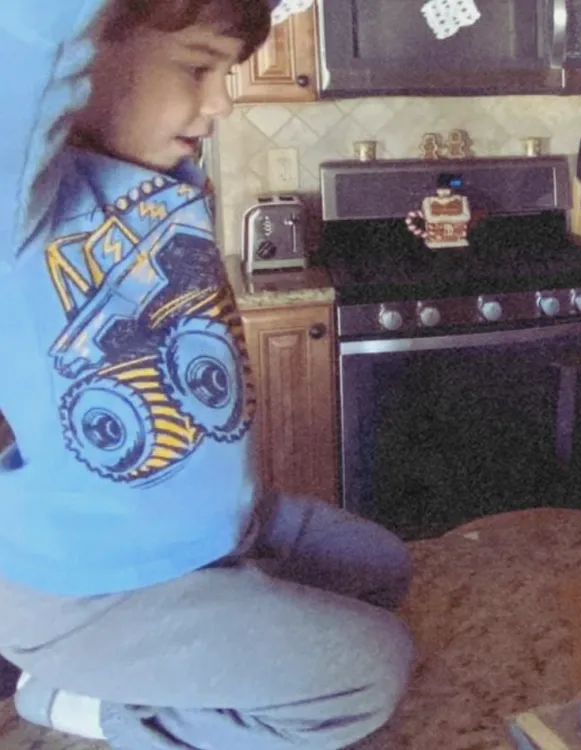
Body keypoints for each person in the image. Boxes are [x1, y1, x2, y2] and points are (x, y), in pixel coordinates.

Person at [0, 1, 415, 747]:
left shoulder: (156, 174)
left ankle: (197, 636)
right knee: (370, 672)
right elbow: (24, 40)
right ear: (83, 49)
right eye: (198, 67)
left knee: (381, 567)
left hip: (223, 534)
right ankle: (89, 705)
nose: (222, 99)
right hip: (91, 590)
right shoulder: (20, 208)